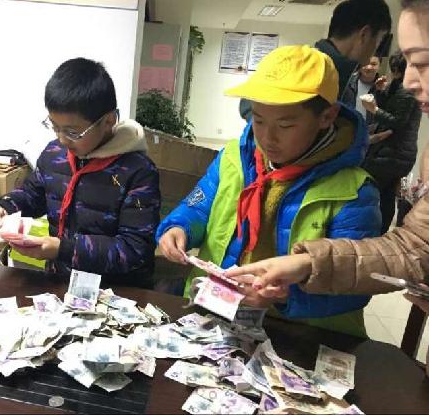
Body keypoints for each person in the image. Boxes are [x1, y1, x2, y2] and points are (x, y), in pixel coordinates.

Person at [157, 45, 381, 337]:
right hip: (219, 312)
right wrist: (179, 227)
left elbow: (356, 284)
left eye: (285, 125)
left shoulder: (354, 191)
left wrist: (286, 296)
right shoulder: (235, 157)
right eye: (258, 120)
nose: (267, 137)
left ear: (327, 116)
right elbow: (198, 206)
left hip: (301, 333)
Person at [226, 0, 429, 298]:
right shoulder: (319, 68)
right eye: (261, 121)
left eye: (422, 62)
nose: (411, 82)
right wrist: (309, 264)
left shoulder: (353, 188)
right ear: (364, 34)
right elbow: (415, 246)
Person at [0, 58, 161, 287]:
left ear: (108, 121)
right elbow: (33, 193)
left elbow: (134, 249)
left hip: (116, 291)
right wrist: (6, 206)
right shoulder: (55, 154)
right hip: (60, 281)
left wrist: (63, 249)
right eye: (54, 126)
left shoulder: (138, 172)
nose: (61, 139)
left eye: (72, 132)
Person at [240, 0, 392, 121]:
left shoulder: (344, 73)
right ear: (364, 35)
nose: (375, 50)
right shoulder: (306, 64)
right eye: (378, 40)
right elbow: (248, 103)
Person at [362, 51, 423, 233]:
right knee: (386, 194)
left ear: (397, 69)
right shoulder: (400, 85)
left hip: (392, 153)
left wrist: (374, 109)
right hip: (395, 152)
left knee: (372, 191)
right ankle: (380, 233)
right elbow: (389, 109)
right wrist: (380, 91)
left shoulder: (408, 91)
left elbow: (397, 122)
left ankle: (373, 232)